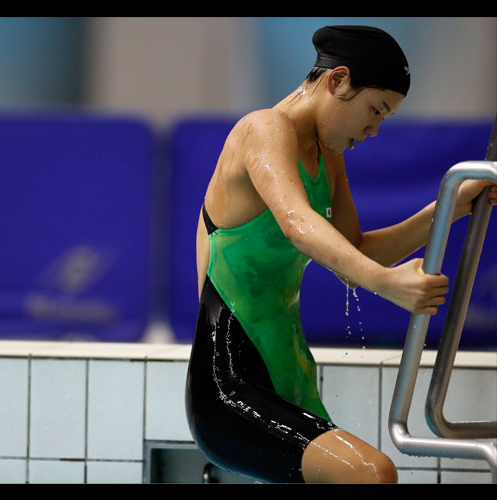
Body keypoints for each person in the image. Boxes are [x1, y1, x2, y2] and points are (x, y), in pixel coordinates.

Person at [184, 25, 497, 484]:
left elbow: (351, 253)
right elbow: (298, 225)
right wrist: (386, 283)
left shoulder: (328, 155)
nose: (374, 129)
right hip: (231, 385)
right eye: (375, 110)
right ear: (337, 81)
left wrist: (450, 207)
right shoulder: (262, 129)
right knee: (373, 473)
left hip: (290, 379)